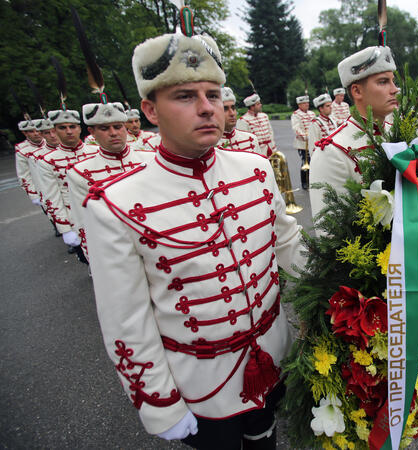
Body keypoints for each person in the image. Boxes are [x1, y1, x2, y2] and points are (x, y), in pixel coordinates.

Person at [83, 22, 305, 450]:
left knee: (265, 438)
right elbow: (126, 321)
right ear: (149, 111)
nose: (207, 108)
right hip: (199, 383)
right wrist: (159, 404)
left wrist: (355, 278)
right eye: (185, 97)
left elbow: (289, 246)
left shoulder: (255, 171)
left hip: (273, 354)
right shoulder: (114, 204)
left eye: (213, 94)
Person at [309, 45, 398, 218]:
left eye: (393, 81)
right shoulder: (332, 152)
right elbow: (331, 235)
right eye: (383, 82)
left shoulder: (395, 133)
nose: (395, 89)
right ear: (357, 91)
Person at [67, 102, 152, 261]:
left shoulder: (151, 159)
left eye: (118, 126)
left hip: (159, 242)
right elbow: (84, 222)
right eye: (104, 128)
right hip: (117, 248)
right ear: (92, 132)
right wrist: (95, 260)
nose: (113, 133)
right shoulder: (79, 173)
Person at [38, 109, 97, 257]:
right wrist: (65, 229)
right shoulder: (47, 161)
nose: (69, 131)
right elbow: (52, 197)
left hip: (103, 212)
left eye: (72, 126)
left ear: (79, 128)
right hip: (75, 217)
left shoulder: (96, 151)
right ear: (55, 130)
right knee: (89, 258)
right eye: (62, 128)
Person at [219, 87, 261, 155]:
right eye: (225, 109)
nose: (232, 113)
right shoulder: (208, 146)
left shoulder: (252, 139)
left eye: (233, 108)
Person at [236, 93, 277, 158]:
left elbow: (270, 132)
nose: (261, 105)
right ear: (252, 107)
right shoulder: (243, 120)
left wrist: (273, 147)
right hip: (257, 152)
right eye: (258, 104)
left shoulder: (264, 116)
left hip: (270, 149)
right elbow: (244, 141)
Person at [14, 118, 44, 204]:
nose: (36, 134)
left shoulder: (51, 143)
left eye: (38, 131)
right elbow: (24, 176)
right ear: (25, 133)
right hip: (42, 191)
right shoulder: (22, 150)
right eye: (31, 131)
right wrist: (34, 195)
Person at [290, 95, 316, 190]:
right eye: (304, 103)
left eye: (307, 103)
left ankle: (312, 180)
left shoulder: (312, 114)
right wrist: (305, 136)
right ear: (299, 105)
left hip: (313, 142)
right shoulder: (296, 115)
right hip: (302, 143)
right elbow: (296, 128)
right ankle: (305, 182)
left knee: (313, 161)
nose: (307, 104)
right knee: (305, 162)